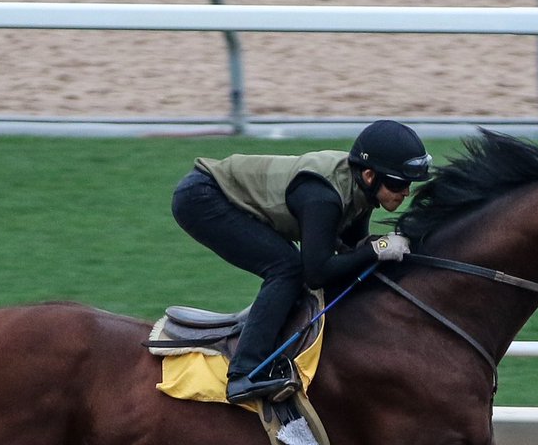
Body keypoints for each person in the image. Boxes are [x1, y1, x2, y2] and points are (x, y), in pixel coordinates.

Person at [171, 120, 432, 404]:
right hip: (202, 198)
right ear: (370, 176)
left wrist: (378, 250)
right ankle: (244, 373)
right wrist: (377, 248)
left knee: (301, 266)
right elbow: (317, 272)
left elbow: (350, 257)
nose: (406, 192)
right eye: (399, 183)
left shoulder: (360, 192)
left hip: (221, 195)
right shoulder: (323, 198)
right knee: (287, 269)